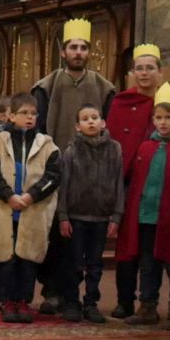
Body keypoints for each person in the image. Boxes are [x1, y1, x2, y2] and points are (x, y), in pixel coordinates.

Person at [31, 17, 115, 314]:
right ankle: (52, 291)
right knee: (56, 236)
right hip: (56, 169)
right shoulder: (47, 86)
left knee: (82, 242)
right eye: (73, 47)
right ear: (63, 52)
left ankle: (78, 297)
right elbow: (38, 128)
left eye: (83, 48)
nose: (78, 52)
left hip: (90, 175)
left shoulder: (104, 88)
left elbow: (109, 129)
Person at [106, 43, 170, 318]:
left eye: (150, 68)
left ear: (160, 72)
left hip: (162, 186)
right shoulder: (121, 102)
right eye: (139, 68)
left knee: (159, 248)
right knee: (127, 245)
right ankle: (125, 300)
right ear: (132, 73)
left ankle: (161, 302)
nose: (144, 73)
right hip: (128, 183)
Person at [116, 84, 170, 329]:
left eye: (168, 117)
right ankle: (148, 305)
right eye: (158, 118)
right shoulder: (146, 147)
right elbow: (138, 184)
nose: (163, 123)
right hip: (147, 216)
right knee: (148, 264)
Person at [0, 93, 61, 324]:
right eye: (24, 113)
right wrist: (9, 196)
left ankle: (23, 301)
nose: (29, 117)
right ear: (12, 116)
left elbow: (52, 176)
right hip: (5, 209)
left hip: (32, 210)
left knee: (27, 260)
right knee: (7, 259)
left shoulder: (47, 145)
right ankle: (7, 301)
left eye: (33, 113)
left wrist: (30, 195)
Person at [56, 104, 124, 323]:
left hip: (101, 217)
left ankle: (91, 302)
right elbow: (64, 185)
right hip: (76, 216)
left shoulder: (115, 149)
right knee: (74, 263)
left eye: (95, 117)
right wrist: (63, 216)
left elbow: (118, 183)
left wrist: (116, 215)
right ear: (78, 126)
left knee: (95, 264)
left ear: (103, 122)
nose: (91, 122)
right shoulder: (71, 151)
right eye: (85, 119)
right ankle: (71, 302)